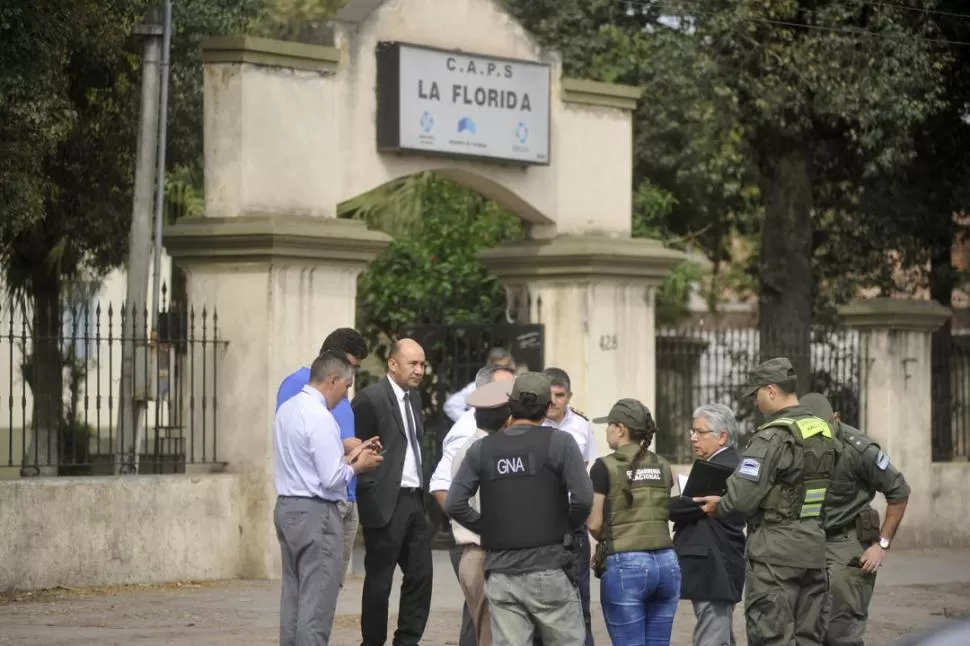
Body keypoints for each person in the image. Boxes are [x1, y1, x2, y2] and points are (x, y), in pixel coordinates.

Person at [694, 357, 838, 646]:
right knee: (809, 638)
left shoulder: (771, 436)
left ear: (771, 390)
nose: (755, 402)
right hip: (813, 548)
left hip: (775, 557)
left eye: (757, 394)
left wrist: (719, 505)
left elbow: (740, 499)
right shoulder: (823, 431)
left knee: (771, 637)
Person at [445, 371, 592, 646]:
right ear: (548, 407)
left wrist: (487, 528)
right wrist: (564, 524)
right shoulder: (560, 443)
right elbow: (584, 499)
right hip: (549, 567)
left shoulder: (482, 449)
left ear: (511, 403)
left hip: (502, 572)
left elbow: (454, 503)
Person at [273, 350, 383, 646]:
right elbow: (331, 478)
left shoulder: (288, 408)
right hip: (316, 514)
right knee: (317, 603)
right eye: (346, 387)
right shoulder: (320, 416)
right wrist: (359, 466)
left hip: (288, 507)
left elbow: (311, 464)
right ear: (332, 380)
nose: (346, 395)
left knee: (294, 598)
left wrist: (350, 455)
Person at [801, 392, 911, 646]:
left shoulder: (860, 450)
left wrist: (881, 545)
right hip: (808, 538)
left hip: (847, 539)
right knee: (806, 628)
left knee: (841, 630)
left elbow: (900, 492)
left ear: (836, 419)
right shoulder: (794, 443)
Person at [429, 363, 517, 646]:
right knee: (486, 629)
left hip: (491, 549)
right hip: (480, 549)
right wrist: (479, 529)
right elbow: (442, 488)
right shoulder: (468, 435)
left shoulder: (500, 438)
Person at [352, 338, 432, 646]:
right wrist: (368, 494)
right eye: (413, 363)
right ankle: (372, 642)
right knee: (380, 581)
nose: (419, 370)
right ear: (393, 364)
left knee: (421, 575)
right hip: (386, 502)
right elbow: (354, 449)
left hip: (414, 498)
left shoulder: (414, 399)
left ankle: (407, 640)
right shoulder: (370, 399)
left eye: (422, 364)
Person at [276, 327, 369, 588]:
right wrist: (344, 447)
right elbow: (294, 438)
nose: (352, 375)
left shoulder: (341, 390)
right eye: (350, 365)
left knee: (331, 588)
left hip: (346, 492)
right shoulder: (297, 385)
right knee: (316, 587)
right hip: (321, 495)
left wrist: (354, 448)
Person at [587, 398, 681, 645]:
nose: (606, 430)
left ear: (620, 428)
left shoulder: (602, 467)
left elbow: (594, 523)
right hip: (668, 565)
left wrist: (608, 542)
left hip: (626, 565)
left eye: (609, 424)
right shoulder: (663, 465)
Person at [670, 403, 746, 646]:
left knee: (711, 638)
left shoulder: (721, 466)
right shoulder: (721, 462)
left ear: (722, 436)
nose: (693, 438)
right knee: (719, 635)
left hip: (715, 567)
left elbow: (680, 507)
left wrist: (663, 502)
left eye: (700, 432)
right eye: (692, 431)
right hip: (713, 566)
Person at [542, 366, 597, 646]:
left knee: (580, 600)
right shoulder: (534, 426)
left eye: (560, 395)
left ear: (569, 396)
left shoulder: (582, 426)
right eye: (549, 395)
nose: (554, 401)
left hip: (573, 524)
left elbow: (584, 474)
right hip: (542, 524)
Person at [443, 347, 516, 422]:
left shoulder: (518, 384)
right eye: (498, 367)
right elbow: (451, 405)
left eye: (506, 367)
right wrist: (472, 423)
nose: (503, 371)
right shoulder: (478, 386)